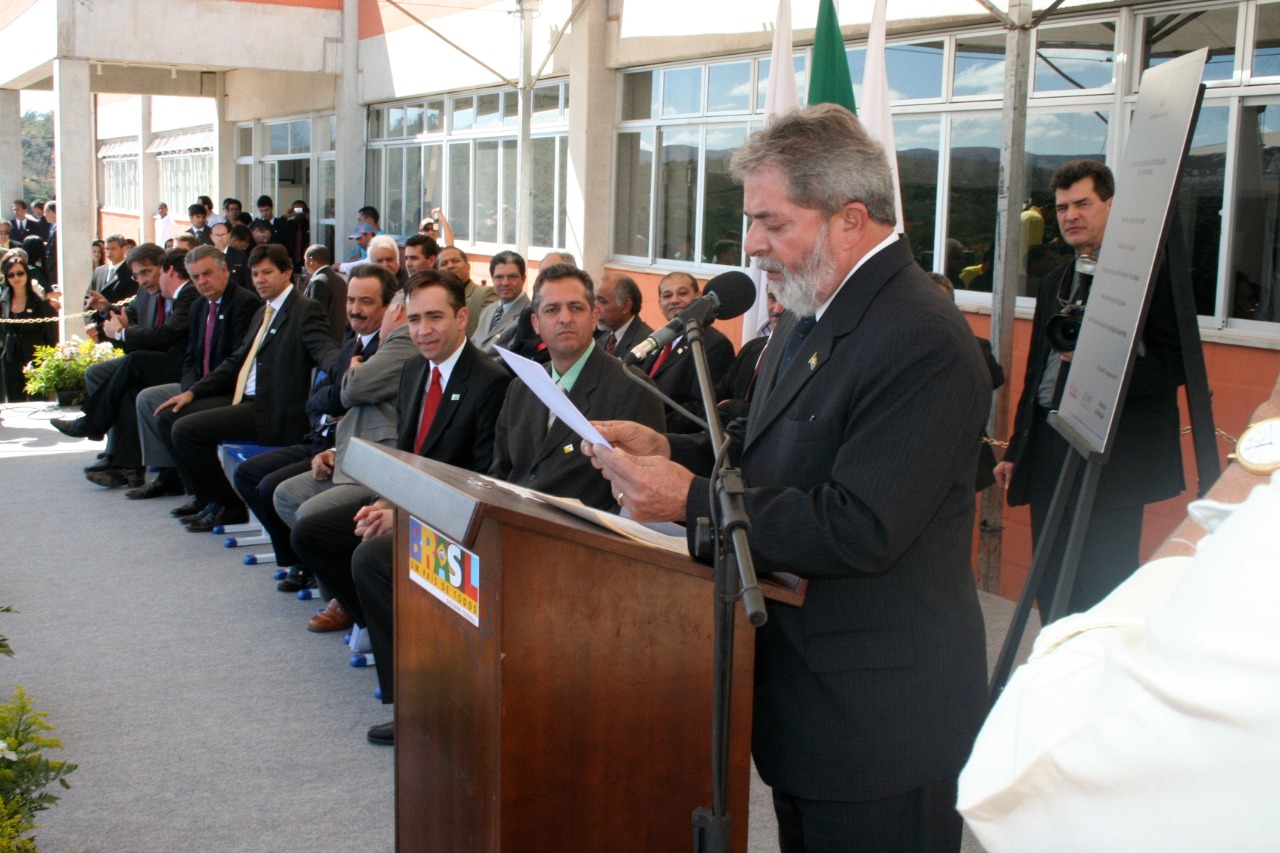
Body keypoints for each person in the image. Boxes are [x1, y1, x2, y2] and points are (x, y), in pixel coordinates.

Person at [585, 104, 990, 852]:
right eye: (752, 220)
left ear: (850, 219)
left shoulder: (922, 339)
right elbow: (762, 447)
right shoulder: (809, 312)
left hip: (882, 725)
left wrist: (688, 498)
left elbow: (860, 525)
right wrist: (671, 445)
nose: (753, 246)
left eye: (772, 222)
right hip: (808, 703)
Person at [288, 269, 512, 705]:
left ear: (462, 317)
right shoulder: (413, 370)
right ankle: (384, 628)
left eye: (435, 317)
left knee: (370, 557)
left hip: (459, 521)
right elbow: (408, 454)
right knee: (311, 532)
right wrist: (385, 499)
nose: (423, 330)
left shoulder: (490, 381)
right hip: (410, 504)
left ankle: (407, 702)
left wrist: (404, 515)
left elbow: (482, 479)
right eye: (413, 320)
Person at [994, 158, 1185, 618]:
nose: (1070, 216)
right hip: (1050, 451)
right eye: (1061, 207)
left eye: (1083, 203)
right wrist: (1018, 448)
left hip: (1111, 460)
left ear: (1112, 206)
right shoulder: (1055, 281)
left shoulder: (1150, 276)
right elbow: (1040, 370)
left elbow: (1175, 363)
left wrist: (1102, 366)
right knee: (1051, 583)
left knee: (1102, 585)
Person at [158, 243, 342, 530]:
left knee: (186, 430)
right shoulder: (264, 311)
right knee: (169, 415)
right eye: (255, 274)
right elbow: (234, 362)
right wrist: (193, 391)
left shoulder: (305, 310)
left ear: (287, 273)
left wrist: (347, 368)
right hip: (245, 400)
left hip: (272, 410)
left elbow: (326, 351)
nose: (260, 280)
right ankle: (210, 500)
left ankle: (228, 506)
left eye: (267, 273)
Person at [638, 271, 735, 433]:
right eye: (667, 296)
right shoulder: (660, 339)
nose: (674, 300)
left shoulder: (714, 344)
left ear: (698, 298)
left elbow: (700, 407)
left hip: (674, 440)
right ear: (660, 303)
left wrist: (652, 427)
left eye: (683, 293)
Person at [0, 253, 58, 402]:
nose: (16, 278)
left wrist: (50, 357)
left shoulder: (38, 302)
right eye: (11, 275)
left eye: (20, 273)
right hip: (11, 355)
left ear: (27, 274)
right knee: (14, 400)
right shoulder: (3, 301)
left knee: (38, 399)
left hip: (34, 354)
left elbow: (49, 332)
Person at [470, 250, 528, 356]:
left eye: (512, 277)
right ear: (492, 279)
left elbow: (510, 358)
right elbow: (473, 345)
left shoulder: (529, 315)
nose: (505, 283)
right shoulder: (488, 310)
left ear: (523, 279)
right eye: (499, 277)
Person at [437, 246, 496, 336]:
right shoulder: (436, 300)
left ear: (468, 267)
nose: (450, 266)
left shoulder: (485, 294)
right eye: (444, 263)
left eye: (455, 261)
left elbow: (490, 333)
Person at [594, 272, 652, 358]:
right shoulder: (603, 339)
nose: (595, 307)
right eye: (595, 300)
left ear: (626, 305)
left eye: (602, 301)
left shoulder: (646, 345)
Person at [302, 244, 348, 340]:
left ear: (311, 260)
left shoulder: (319, 281)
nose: (305, 264)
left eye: (305, 260)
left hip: (323, 339)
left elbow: (315, 314)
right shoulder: (339, 279)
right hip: (339, 337)